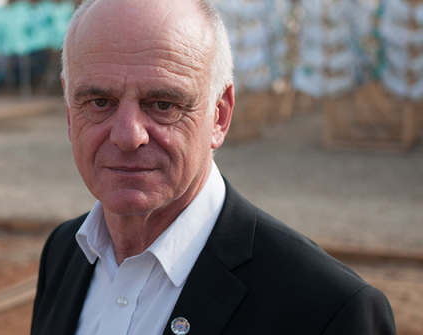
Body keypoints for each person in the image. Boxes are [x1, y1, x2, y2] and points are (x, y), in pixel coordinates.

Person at [30, 0, 397, 334]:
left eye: (162, 104)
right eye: (99, 102)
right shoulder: (63, 253)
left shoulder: (328, 310)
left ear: (219, 116)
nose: (129, 135)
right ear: (68, 113)